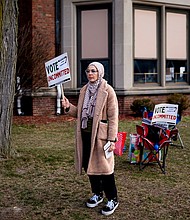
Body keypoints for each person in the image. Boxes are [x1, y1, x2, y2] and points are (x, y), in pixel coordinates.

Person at [61, 62, 119, 216]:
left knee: (105, 169)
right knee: (90, 167)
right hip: (85, 134)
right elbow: (80, 113)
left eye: (93, 71)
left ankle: (112, 198)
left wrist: (112, 139)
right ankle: (97, 194)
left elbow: (113, 117)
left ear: (100, 72)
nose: (90, 73)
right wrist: (68, 107)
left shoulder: (108, 90)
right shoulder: (84, 90)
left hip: (101, 136)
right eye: (88, 71)